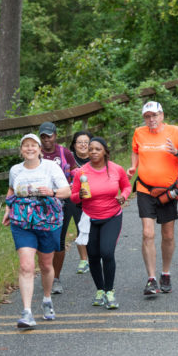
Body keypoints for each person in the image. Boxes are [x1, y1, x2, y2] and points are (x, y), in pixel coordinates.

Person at [2, 133, 71, 329]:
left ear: (40, 149)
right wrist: (8, 210)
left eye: (33, 145)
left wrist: (52, 192)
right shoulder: (15, 170)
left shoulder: (50, 167)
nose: (30, 149)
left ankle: (47, 299)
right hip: (22, 222)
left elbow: (67, 191)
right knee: (26, 266)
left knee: (46, 265)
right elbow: (11, 191)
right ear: (21, 150)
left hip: (48, 220)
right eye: (26, 146)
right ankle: (26, 312)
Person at [127, 101, 178, 295]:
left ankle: (166, 273)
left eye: (154, 115)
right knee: (148, 233)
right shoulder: (139, 132)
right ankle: (151, 279)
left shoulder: (175, 131)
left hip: (168, 191)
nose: (151, 119)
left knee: (168, 234)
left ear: (162, 115)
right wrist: (133, 166)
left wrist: (176, 152)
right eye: (147, 116)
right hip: (145, 189)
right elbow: (135, 151)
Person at [70, 137, 131, 310]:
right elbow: (73, 197)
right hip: (90, 218)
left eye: (97, 149)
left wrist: (123, 197)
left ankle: (110, 291)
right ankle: (100, 290)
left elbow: (126, 186)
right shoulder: (81, 172)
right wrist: (80, 195)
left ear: (105, 151)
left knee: (107, 252)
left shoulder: (116, 169)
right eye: (91, 149)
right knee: (94, 255)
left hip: (112, 216)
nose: (93, 152)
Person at [39, 121, 76, 294]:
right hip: (39, 203)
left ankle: (56, 278)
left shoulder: (64, 152)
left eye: (50, 136)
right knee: (42, 239)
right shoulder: (35, 153)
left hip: (62, 200)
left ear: (55, 136)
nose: (47, 140)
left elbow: (75, 171)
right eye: (43, 137)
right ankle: (47, 272)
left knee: (59, 239)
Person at [69, 130, 93, 274]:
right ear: (74, 145)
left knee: (95, 228)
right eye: (80, 142)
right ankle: (84, 260)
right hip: (76, 197)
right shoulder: (70, 159)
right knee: (80, 225)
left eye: (86, 142)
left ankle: (95, 256)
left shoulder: (96, 156)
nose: (83, 145)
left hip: (95, 197)